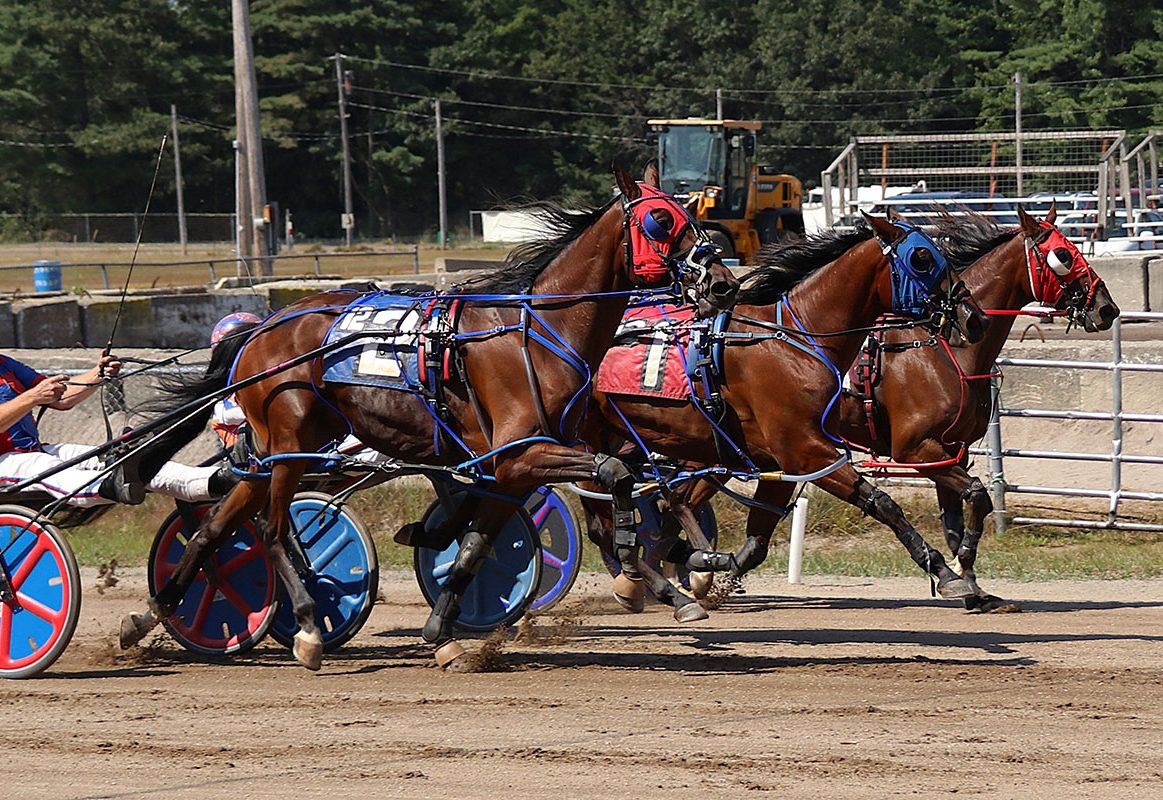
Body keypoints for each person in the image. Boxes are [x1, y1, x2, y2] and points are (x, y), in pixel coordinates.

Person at [0, 351, 235, 507]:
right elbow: (36, 395)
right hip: (5, 461)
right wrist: (31, 398)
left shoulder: (5, 364)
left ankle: (213, 481)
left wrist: (97, 374)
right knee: (45, 467)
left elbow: (62, 398)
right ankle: (110, 486)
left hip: (35, 450)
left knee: (120, 456)